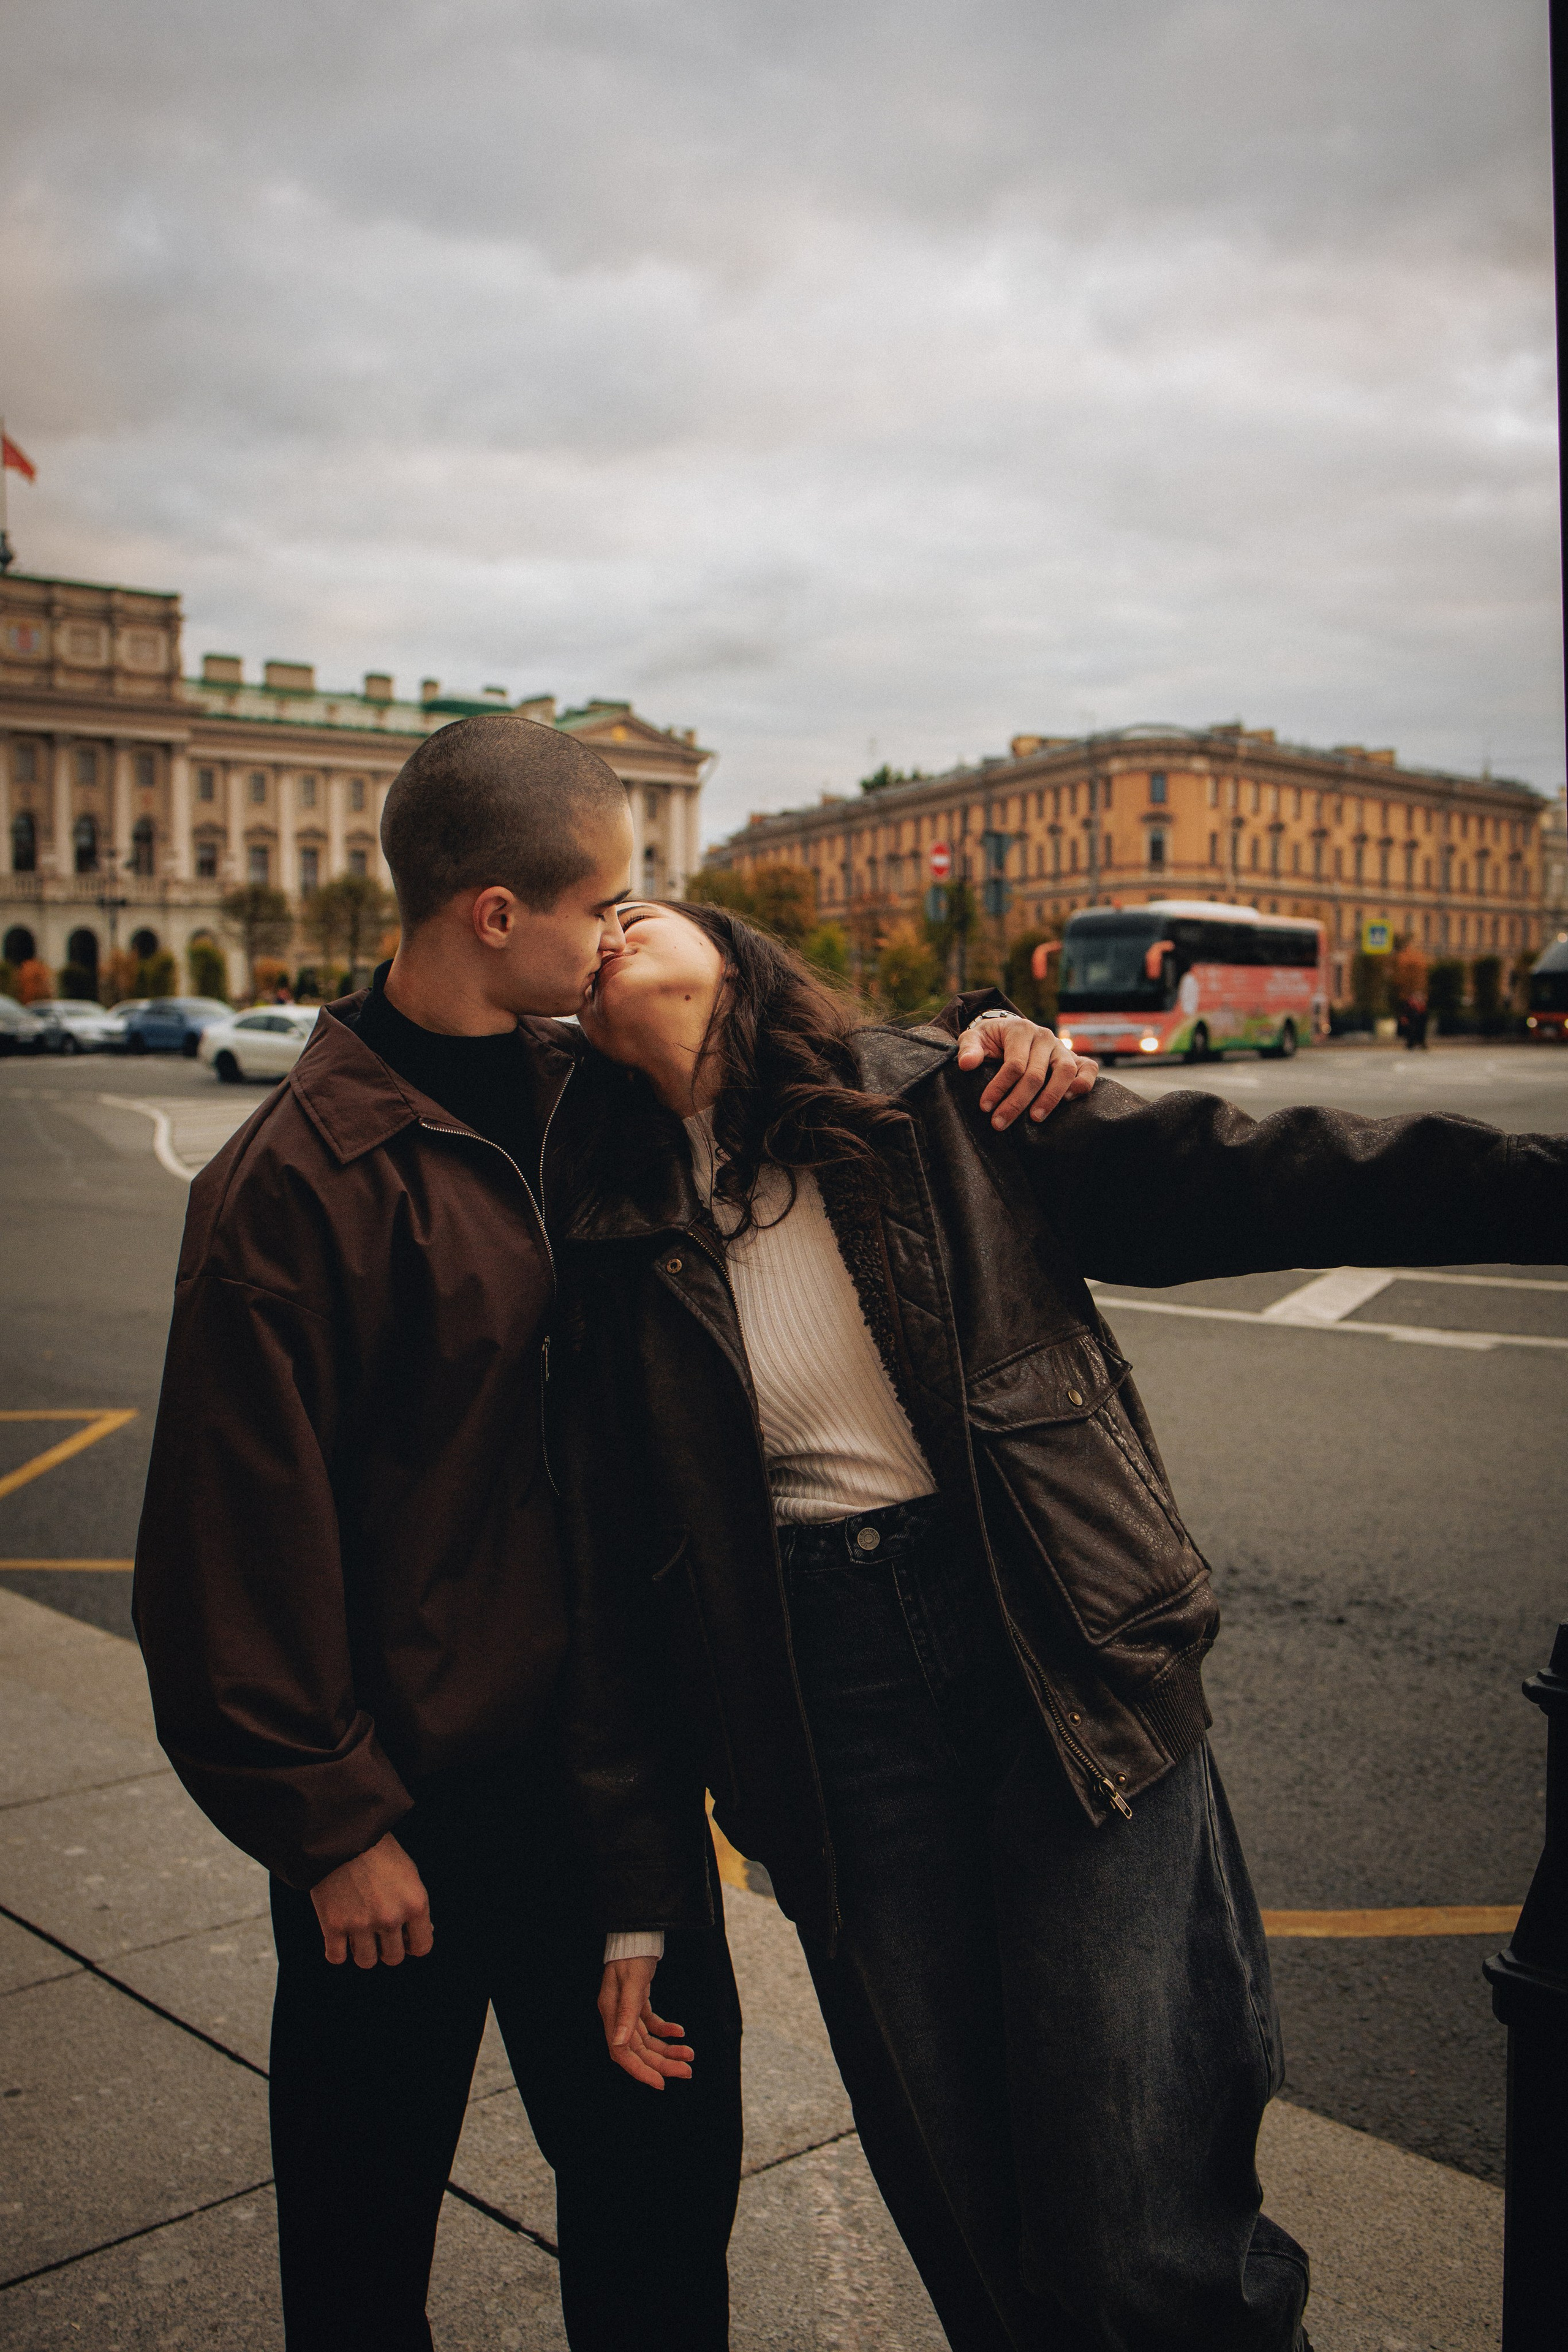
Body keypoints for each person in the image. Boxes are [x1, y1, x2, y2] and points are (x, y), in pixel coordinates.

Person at [132, 712, 1092, 2352]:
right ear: (495, 916)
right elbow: (227, 1542)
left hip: (612, 1797)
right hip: (404, 1823)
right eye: (607, 904)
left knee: (661, 2224)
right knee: (361, 2252)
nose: (626, 934)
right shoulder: (292, 1183)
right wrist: (327, 1822)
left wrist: (996, 1043)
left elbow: (798, 1075)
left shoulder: (605, 1097)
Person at [549, 899, 1567, 2352]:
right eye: (576, 929)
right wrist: (637, 1893)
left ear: (735, 955)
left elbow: (1266, 1178)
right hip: (826, 1712)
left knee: (1132, 2217)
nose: (602, 932)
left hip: (1055, 1643)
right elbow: (616, 1582)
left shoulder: (948, 1094)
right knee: (968, 2211)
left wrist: (1546, 1189)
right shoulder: (599, 1216)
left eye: (633, 907)